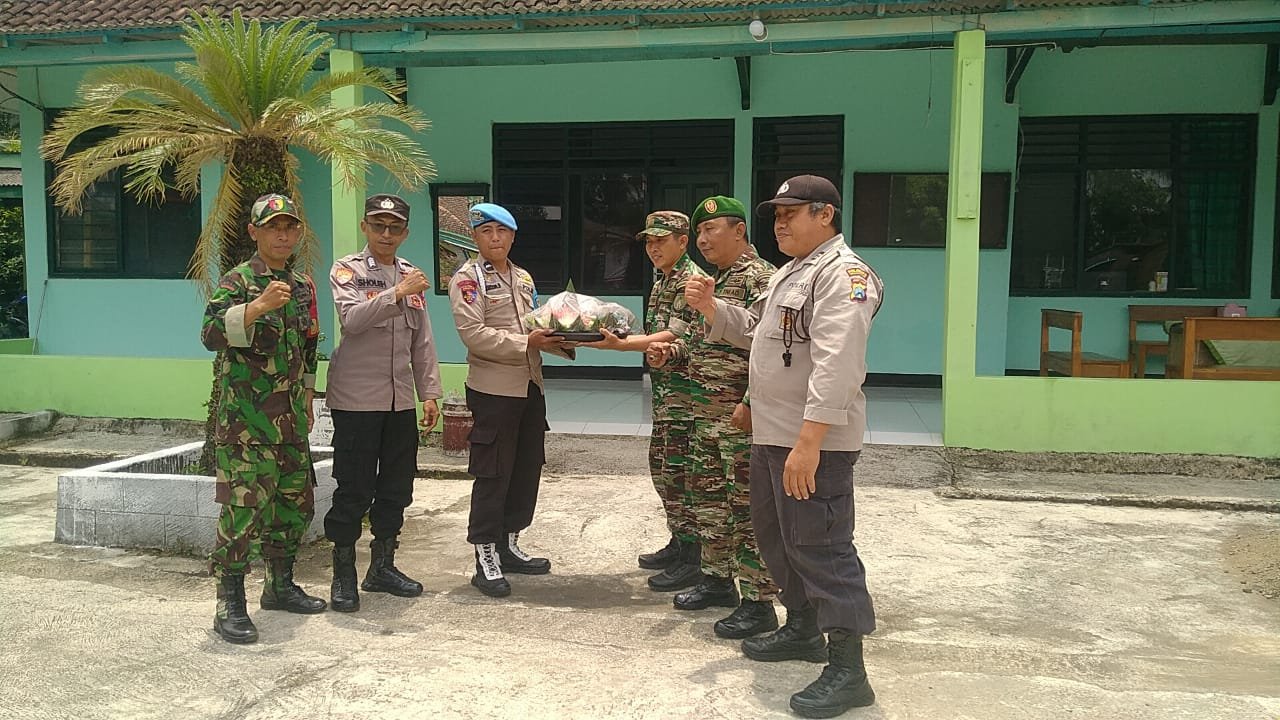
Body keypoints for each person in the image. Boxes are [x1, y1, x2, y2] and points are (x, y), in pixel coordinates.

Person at [686, 175, 884, 718]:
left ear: (826, 215)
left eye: (791, 213)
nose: (780, 223)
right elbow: (762, 334)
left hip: (810, 442)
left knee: (822, 547)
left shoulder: (844, 275)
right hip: (773, 434)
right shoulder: (793, 273)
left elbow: (837, 363)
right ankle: (801, 628)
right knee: (777, 538)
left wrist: (810, 442)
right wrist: (712, 310)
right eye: (776, 214)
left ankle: (849, 671)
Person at [650, 196, 779, 640]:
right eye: (700, 233)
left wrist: (751, 401)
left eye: (712, 231)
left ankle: (759, 601)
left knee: (746, 510)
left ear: (739, 231)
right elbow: (707, 342)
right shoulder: (714, 279)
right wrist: (672, 352)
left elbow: (770, 351)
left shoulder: (761, 278)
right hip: (703, 413)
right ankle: (718, 579)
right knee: (709, 504)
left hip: (739, 418)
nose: (702, 240)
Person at [200, 193, 326, 644]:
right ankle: (228, 602)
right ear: (254, 232)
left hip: (291, 421)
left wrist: (309, 395)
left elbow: (310, 347)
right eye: (273, 227)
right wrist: (257, 307)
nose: (283, 234)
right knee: (242, 514)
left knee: (293, 506)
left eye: (290, 227)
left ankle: (279, 586)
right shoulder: (238, 281)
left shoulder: (305, 287)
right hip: (247, 427)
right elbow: (210, 334)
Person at [323, 193, 443, 613]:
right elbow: (352, 321)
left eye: (394, 228)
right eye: (379, 226)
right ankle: (342, 575)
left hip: (399, 401)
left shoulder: (413, 275)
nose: (386, 234)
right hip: (356, 400)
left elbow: (422, 340)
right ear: (365, 228)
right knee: (353, 486)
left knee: (396, 485)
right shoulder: (347, 270)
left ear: (405, 233)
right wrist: (395, 292)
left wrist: (429, 393)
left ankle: (383, 567)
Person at [447, 202, 574, 598]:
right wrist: (528, 343)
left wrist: (570, 338)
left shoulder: (522, 278)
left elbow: (536, 326)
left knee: (526, 467)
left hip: (530, 386)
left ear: (513, 236)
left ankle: (508, 544)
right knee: (493, 472)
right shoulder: (468, 280)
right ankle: (485, 556)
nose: (495, 238)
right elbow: (474, 334)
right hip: (494, 389)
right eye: (487, 232)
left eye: (502, 231)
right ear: (475, 237)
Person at [584, 211, 709, 591]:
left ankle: (695, 557)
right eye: (649, 242)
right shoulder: (662, 282)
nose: (653, 248)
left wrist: (621, 345)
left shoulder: (693, 282)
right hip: (667, 397)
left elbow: (674, 334)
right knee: (665, 471)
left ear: (682, 241)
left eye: (661, 240)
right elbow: (654, 335)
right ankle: (679, 540)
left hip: (689, 398)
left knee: (685, 475)